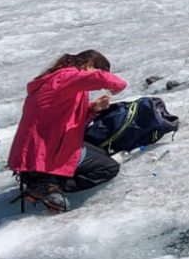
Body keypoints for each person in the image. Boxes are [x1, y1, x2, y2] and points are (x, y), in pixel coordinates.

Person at [8, 49, 128, 213]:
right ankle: (48, 186)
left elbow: (62, 115)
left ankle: (42, 181)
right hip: (45, 151)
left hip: (36, 150)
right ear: (89, 64)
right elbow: (106, 79)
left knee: (100, 153)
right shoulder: (67, 76)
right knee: (108, 168)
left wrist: (93, 107)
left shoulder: (58, 80)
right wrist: (114, 86)